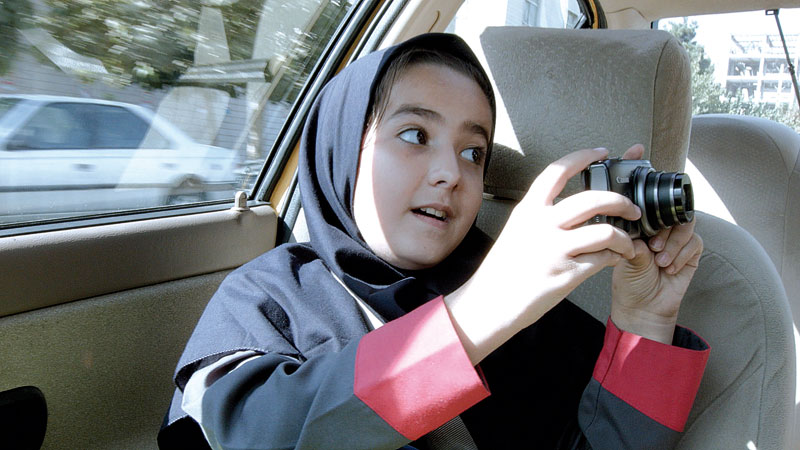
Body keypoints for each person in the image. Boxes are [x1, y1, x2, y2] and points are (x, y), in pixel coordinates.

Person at [158, 33, 708, 450]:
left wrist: (644, 321)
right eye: (415, 135)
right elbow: (251, 435)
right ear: (344, 150)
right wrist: (481, 311)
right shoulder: (267, 298)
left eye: (473, 153)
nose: (451, 173)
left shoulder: (531, 309)